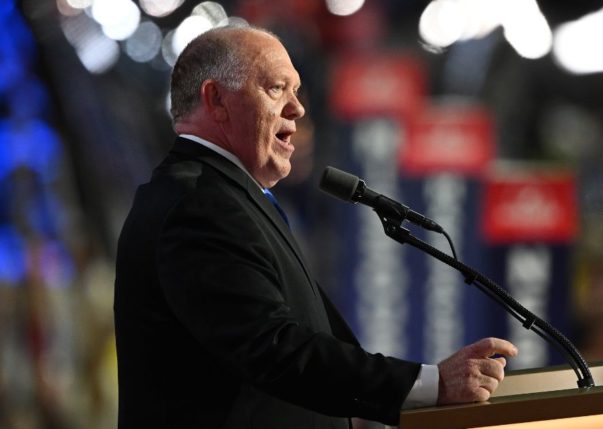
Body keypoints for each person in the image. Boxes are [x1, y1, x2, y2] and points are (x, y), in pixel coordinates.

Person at [114, 25, 517, 428]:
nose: (297, 108)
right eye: (276, 88)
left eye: (297, 90)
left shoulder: (223, 194)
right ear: (216, 99)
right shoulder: (198, 203)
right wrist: (430, 384)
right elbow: (274, 349)